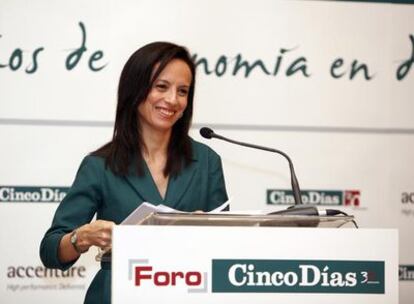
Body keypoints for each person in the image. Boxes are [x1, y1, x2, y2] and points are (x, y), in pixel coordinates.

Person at [39, 41, 228, 304]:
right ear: (135, 88)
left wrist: (209, 230)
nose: (173, 100)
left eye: (183, 91)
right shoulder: (100, 165)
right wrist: (81, 236)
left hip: (188, 292)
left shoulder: (207, 161)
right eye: (161, 87)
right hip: (118, 294)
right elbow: (51, 251)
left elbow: (229, 246)